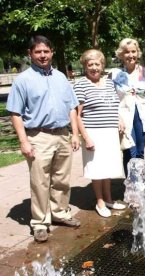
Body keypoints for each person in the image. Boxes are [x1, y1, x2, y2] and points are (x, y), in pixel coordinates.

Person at [6, 35, 81, 242]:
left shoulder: (61, 77)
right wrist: (23, 141)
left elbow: (72, 108)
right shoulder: (23, 80)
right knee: (40, 182)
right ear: (30, 54)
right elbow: (15, 113)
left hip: (62, 135)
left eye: (46, 51)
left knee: (62, 180)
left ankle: (60, 213)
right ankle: (40, 222)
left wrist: (75, 134)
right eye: (38, 52)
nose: (42, 55)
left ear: (52, 52)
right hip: (38, 136)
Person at [74, 49, 126, 218]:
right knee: (97, 170)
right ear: (85, 66)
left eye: (97, 64)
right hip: (93, 133)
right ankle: (100, 202)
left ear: (102, 65)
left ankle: (109, 199)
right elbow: (77, 114)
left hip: (110, 132)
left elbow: (112, 105)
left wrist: (119, 119)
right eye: (90, 65)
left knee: (108, 168)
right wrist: (85, 137)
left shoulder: (109, 82)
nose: (94, 68)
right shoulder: (81, 84)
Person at [109, 38, 145, 175]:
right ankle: (131, 187)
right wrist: (117, 119)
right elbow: (110, 98)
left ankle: (138, 185)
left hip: (142, 116)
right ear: (121, 54)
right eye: (127, 52)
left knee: (140, 151)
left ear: (138, 53)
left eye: (133, 51)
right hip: (124, 117)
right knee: (129, 151)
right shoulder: (115, 74)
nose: (131, 55)